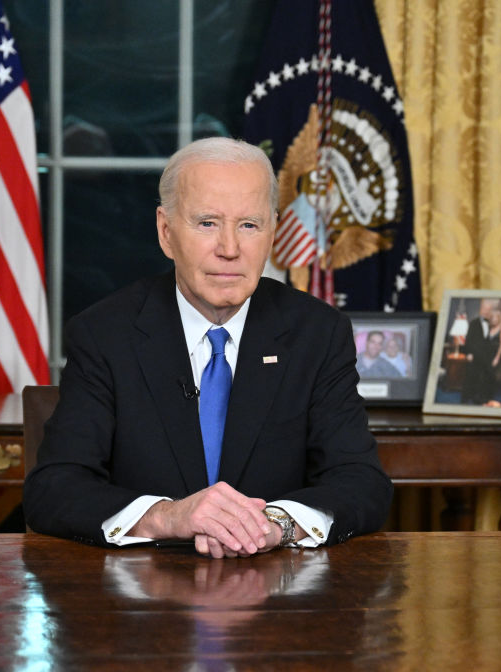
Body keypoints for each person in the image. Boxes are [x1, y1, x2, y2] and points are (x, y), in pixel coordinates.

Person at [24, 137, 393, 558]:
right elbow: (53, 487)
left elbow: (362, 482)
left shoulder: (318, 333)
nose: (230, 249)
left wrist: (277, 525)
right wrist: (168, 517)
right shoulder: (104, 334)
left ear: (272, 231)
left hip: (277, 600)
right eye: (207, 223)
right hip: (140, 602)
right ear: (166, 232)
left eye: (249, 225)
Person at [460, 299, 500, 405]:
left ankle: (483, 399)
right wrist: (468, 354)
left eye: (488, 309)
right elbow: (468, 340)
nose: (486, 311)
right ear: (480, 309)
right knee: (471, 377)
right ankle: (465, 399)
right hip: (475, 356)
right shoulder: (474, 323)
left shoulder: (494, 324)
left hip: (487, 357)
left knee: (487, 378)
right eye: (484, 309)